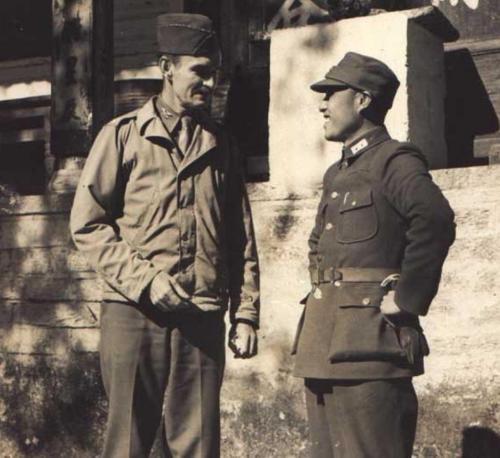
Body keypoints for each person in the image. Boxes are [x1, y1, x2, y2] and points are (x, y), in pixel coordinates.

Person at [70, 13, 260, 458]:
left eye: (214, 73)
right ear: (167, 67)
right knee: (128, 444)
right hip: (134, 314)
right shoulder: (122, 138)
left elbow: (240, 237)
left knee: (198, 445)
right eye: (200, 71)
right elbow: (88, 225)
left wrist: (246, 311)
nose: (210, 83)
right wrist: (147, 281)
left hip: (202, 315)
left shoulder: (222, 146)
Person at [292, 52, 455, 458]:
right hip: (323, 348)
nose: (322, 104)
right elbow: (321, 247)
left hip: (370, 348)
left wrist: (406, 298)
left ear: (362, 100)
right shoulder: (338, 172)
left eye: (332, 94)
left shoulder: (393, 160)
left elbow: (435, 220)